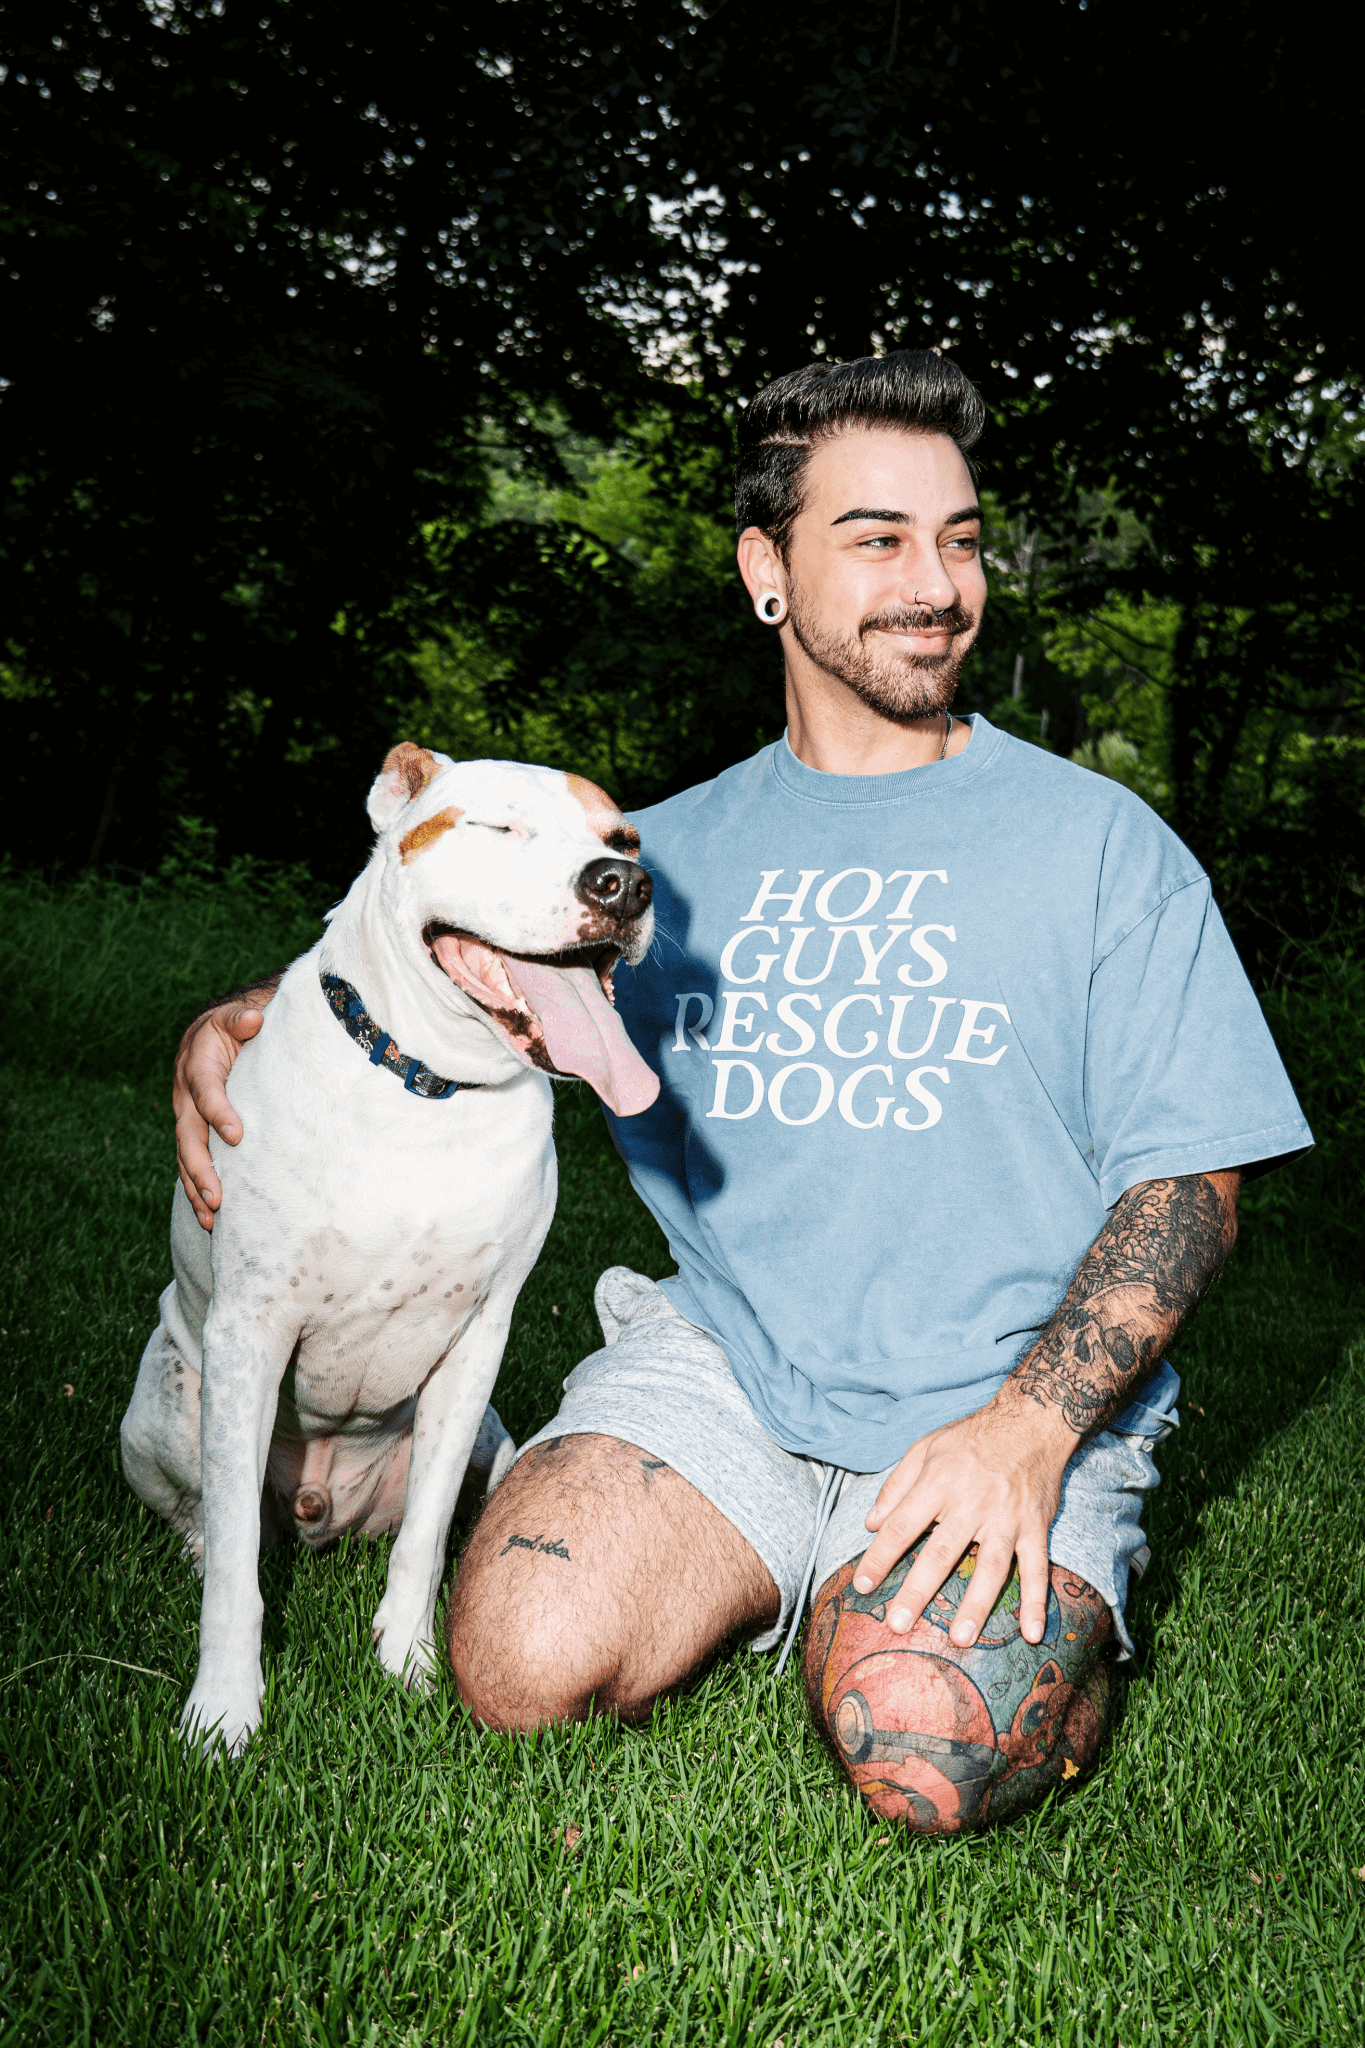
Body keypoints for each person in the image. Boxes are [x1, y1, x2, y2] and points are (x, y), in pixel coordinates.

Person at [173, 351, 1311, 1832]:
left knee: (927, 1748)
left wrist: (1030, 1431)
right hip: (727, 1375)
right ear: (767, 570)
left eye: (961, 539)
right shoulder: (648, 863)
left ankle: (883, 1586)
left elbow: (1195, 1187)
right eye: (879, 538)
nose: (938, 582)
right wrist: (239, 1017)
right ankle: (775, 1555)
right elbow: (432, 952)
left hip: (1002, 1396)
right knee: (520, 1659)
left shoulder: (1104, 847)